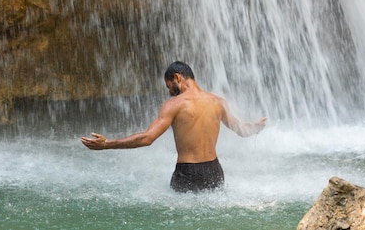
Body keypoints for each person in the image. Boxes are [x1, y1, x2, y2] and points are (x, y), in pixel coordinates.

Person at [81, 61, 267, 193]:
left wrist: (107, 144)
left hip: (188, 173)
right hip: (214, 172)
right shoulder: (218, 102)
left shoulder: (174, 105)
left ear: (177, 77)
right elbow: (241, 130)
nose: (170, 92)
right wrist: (255, 127)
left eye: (169, 86)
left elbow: (148, 138)